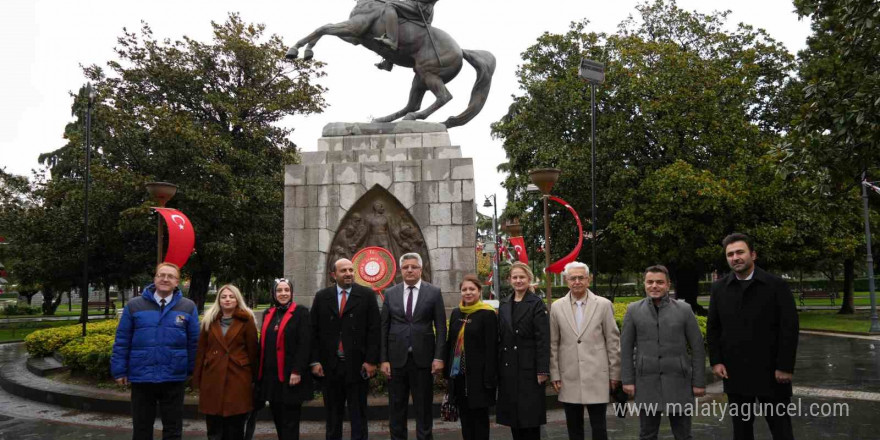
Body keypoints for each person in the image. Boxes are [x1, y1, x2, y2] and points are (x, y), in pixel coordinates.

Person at [707, 233, 799, 440]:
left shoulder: (776, 286)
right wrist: (716, 361)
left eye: (740, 252)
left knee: (781, 429)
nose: (735, 257)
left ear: (753, 254)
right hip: (735, 372)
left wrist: (785, 366)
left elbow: (789, 329)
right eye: (730, 254)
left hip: (773, 373)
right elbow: (714, 328)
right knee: (741, 431)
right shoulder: (719, 289)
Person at [111, 262, 200, 440]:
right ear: (155, 278)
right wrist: (119, 370)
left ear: (177, 282)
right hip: (142, 377)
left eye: (171, 276)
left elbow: (194, 343)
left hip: (173, 377)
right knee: (142, 428)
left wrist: (192, 372)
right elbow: (122, 340)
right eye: (162, 275)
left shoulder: (188, 307)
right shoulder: (134, 305)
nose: (165, 279)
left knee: (173, 429)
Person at [620, 265, 706, 440]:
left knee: (683, 434)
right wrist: (627, 380)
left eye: (659, 282)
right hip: (646, 383)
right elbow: (626, 349)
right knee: (647, 434)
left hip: (679, 382)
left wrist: (699, 382)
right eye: (650, 282)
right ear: (644, 284)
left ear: (668, 285)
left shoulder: (684, 309)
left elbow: (697, 347)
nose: (654, 286)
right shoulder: (633, 310)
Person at [548, 261, 620, 440]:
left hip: (598, 374)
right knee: (574, 428)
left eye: (581, 277)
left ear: (589, 279)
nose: (577, 281)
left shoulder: (603, 305)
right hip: (568, 375)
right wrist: (555, 373)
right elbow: (553, 343)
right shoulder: (557, 307)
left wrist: (614, 374)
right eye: (573, 278)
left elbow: (613, 341)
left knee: (599, 427)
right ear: (566, 280)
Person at [310, 258, 381, 440]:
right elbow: (313, 332)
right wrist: (315, 361)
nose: (349, 273)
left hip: (358, 366)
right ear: (334, 275)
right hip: (330, 367)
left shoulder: (366, 295)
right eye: (344, 271)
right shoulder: (321, 297)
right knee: (333, 417)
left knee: (358, 416)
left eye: (351, 270)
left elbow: (374, 330)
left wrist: (371, 361)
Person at [380, 252, 447, 440]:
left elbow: (441, 327)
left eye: (414, 267)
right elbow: (383, 328)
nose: (410, 270)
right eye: (406, 267)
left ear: (421, 269)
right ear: (401, 270)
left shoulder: (433, 292)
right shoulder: (390, 293)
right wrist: (383, 359)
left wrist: (439, 357)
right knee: (396, 408)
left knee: (424, 408)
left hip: (423, 361)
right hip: (396, 361)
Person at [192, 284, 259, 440]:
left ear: (237, 299)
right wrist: (197, 380)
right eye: (224, 297)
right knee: (214, 430)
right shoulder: (209, 320)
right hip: (212, 379)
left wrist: (255, 380)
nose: (227, 299)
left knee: (235, 430)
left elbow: (253, 351)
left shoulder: (246, 320)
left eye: (231, 296)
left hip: (238, 379)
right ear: (219, 300)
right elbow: (201, 351)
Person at [496, 262, 550, 440]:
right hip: (509, 368)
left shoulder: (536, 304)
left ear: (529, 279)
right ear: (509, 280)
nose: (518, 281)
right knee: (514, 421)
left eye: (522, 277)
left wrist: (542, 370)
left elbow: (543, 339)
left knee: (530, 421)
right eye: (515, 277)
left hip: (530, 369)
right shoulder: (504, 304)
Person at [256, 278, 313, 440]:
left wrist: (297, 370)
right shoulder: (269, 313)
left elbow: (305, 344)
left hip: (291, 377)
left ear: (291, 293)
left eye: (286, 290)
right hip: (271, 378)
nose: (283, 293)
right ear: (274, 293)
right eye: (279, 290)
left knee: (290, 421)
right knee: (278, 418)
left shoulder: (301, 312)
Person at [443, 274, 497, 440]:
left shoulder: (488, 314)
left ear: (479, 291)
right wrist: (447, 373)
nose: (468, 292)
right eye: (464, 289)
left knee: (480, 420)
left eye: (472, 289)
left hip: (479, 379)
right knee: (465, 420)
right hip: (459, 377)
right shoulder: (456, 313)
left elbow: (492, 348)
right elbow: (450, 343)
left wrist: (489, 378)